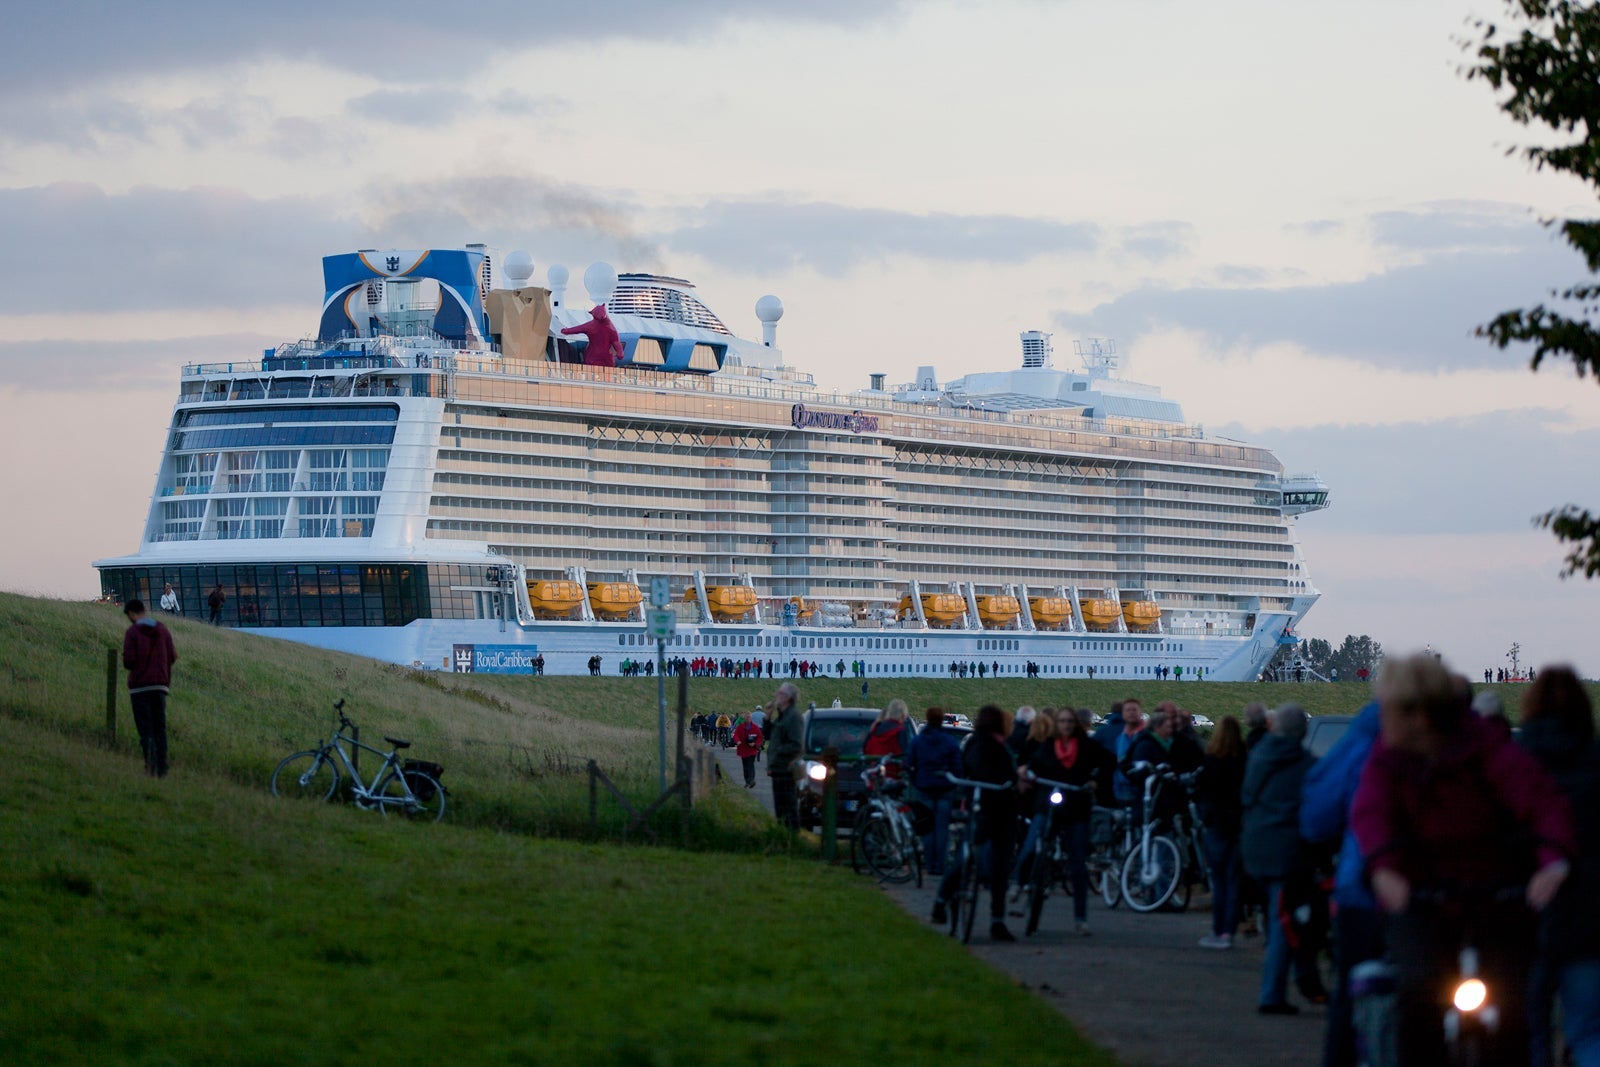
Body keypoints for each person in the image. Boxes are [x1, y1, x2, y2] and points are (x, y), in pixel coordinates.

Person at [1351, 654, 1575, 1065]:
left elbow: (1541, 801)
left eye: (1392, 710)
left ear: (1420, 713)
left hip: (1494, 893)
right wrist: (1384, 866)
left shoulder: (1485, 746)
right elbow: (1371, 812)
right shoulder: (1389, 758)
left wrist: (1554, 859)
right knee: (1419, 994)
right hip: (1421, 893)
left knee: (1512, 1006)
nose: (1385, 720)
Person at [1517, 667, 1600, 1067]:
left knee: (1525, 1029)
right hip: (1589, 916)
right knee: (1588, 1030)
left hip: (1526, 915)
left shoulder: (1515, 764)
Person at [1301, 702, 1384, 1067]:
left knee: (1348, 1000)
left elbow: (1316, 817)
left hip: (1364, 892)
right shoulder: (1471, 742)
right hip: (1449, 896)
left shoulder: (1366, 739)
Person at [1241, 703, 1316, 1015]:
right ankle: (1272, 993)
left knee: (1276, 916)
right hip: (1285, 849)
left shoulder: (1259, 755)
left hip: (1255, 845)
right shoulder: (1305, 764)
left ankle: (1287, 980)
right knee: (1284, 919)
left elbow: (1246, 795)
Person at [931, 704, 1019, 943]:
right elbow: (1010, 778)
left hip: (976, 805)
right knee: (1000, 865)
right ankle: (997, 920)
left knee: (964, 855)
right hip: (999, 810)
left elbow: (961, 771)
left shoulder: (971, 743)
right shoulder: (1002, 748)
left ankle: (941, 899)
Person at [1017, 707, 1101, 935]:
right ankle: (1020, 882)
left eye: (1069, 721)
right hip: (1049, 804)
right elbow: (1034, 763)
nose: (1065, 725)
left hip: (1076, 807)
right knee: (1032, 844)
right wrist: (1027, 772)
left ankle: (1081, 917)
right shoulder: (1048, 746)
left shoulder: (1086, 747)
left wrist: (1094, 781)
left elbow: (1103, 764)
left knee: (1077, 863)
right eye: (1062, 721)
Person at [1197, 715, 1247, 949]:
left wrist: (1205, 817)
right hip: (1238, 823)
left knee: (1218, 881)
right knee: (1234, 880)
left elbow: (1203, 792)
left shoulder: (1212, 759)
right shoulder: (1244, 759)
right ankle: (1230, 930)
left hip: (1217, 824)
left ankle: (1218, 930)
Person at [121, 599, 177, 777]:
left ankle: (150, 766)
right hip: (160, 685)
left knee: (146, 730)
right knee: (160, 728)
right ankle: (163, 768)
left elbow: (128, 661)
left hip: (139, 688)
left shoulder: (132, 632)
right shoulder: (162, 630)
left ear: (131, 613)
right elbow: (173, 656)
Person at [908, 706, 963, 876]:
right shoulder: (949, 741)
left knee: (927, 828)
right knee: (942, 827)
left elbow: (909, 762)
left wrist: (916, 779)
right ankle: (940, 864)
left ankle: (929, 863)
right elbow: (957, 766)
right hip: (945, 787)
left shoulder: (918, 741)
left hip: (924, 786)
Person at [765, 683, 804, 830]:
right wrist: (767, 718)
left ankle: (792, 839)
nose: (776, 696)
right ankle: (783, 837)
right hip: (778, 769)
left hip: (786, 769)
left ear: (787, 698)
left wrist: (778, 752)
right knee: (780, 808)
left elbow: (796, 744)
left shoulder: (793, 716)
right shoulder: (782, 717)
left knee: (788, 808)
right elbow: (768, 736)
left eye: (780, 693)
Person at [732, 715, 765, 789]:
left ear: (751, 718)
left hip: (752, 750)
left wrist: (755, 743)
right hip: (743, 749)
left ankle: (751, 780)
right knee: (745, 766)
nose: (748, 719)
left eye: (749, 717)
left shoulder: (755, 727)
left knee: (750, 764)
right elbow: (735, 735)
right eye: (747, 718)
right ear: (744, 719)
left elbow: (760, 737)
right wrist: (737, 741)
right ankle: (747, 781)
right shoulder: (740, 727)